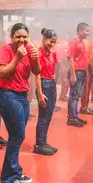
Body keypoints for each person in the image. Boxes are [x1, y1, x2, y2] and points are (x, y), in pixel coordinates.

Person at [0, 23, 40, 183]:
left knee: (17, 136)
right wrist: (17, 58)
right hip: (8, 96)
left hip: (22, 96)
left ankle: (14, 172)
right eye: (18, 36)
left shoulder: (29, 49)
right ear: (11, 37)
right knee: (17, 135)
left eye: (24, 37)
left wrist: (35, 58)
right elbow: (1, 73)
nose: (22, 40)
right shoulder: (5, 50)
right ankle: (9, 177)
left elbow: (36, 71)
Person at [33, 28, 59, 156]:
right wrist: (40, 93)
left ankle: (43, 141)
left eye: (54, 42)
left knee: (48, 115)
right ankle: (38, 144)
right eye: (50, 41)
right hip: (43, 84)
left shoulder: (52, 53)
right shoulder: (39, 53)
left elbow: (53, 71)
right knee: (43, 116)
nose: (52, 45)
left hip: (51, 84)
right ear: (44, 39)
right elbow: (37, 75)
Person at [67, 22, 90, 128]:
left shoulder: (82, 42)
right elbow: (69, 58)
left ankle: (75, 116)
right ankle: (71, 118)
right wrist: (73, 74)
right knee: (74, 95)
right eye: (86, 31)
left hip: (82, 71)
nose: (88, 33)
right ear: (80, 31)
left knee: (77, 95)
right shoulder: (74, 43)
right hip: (76, 72)